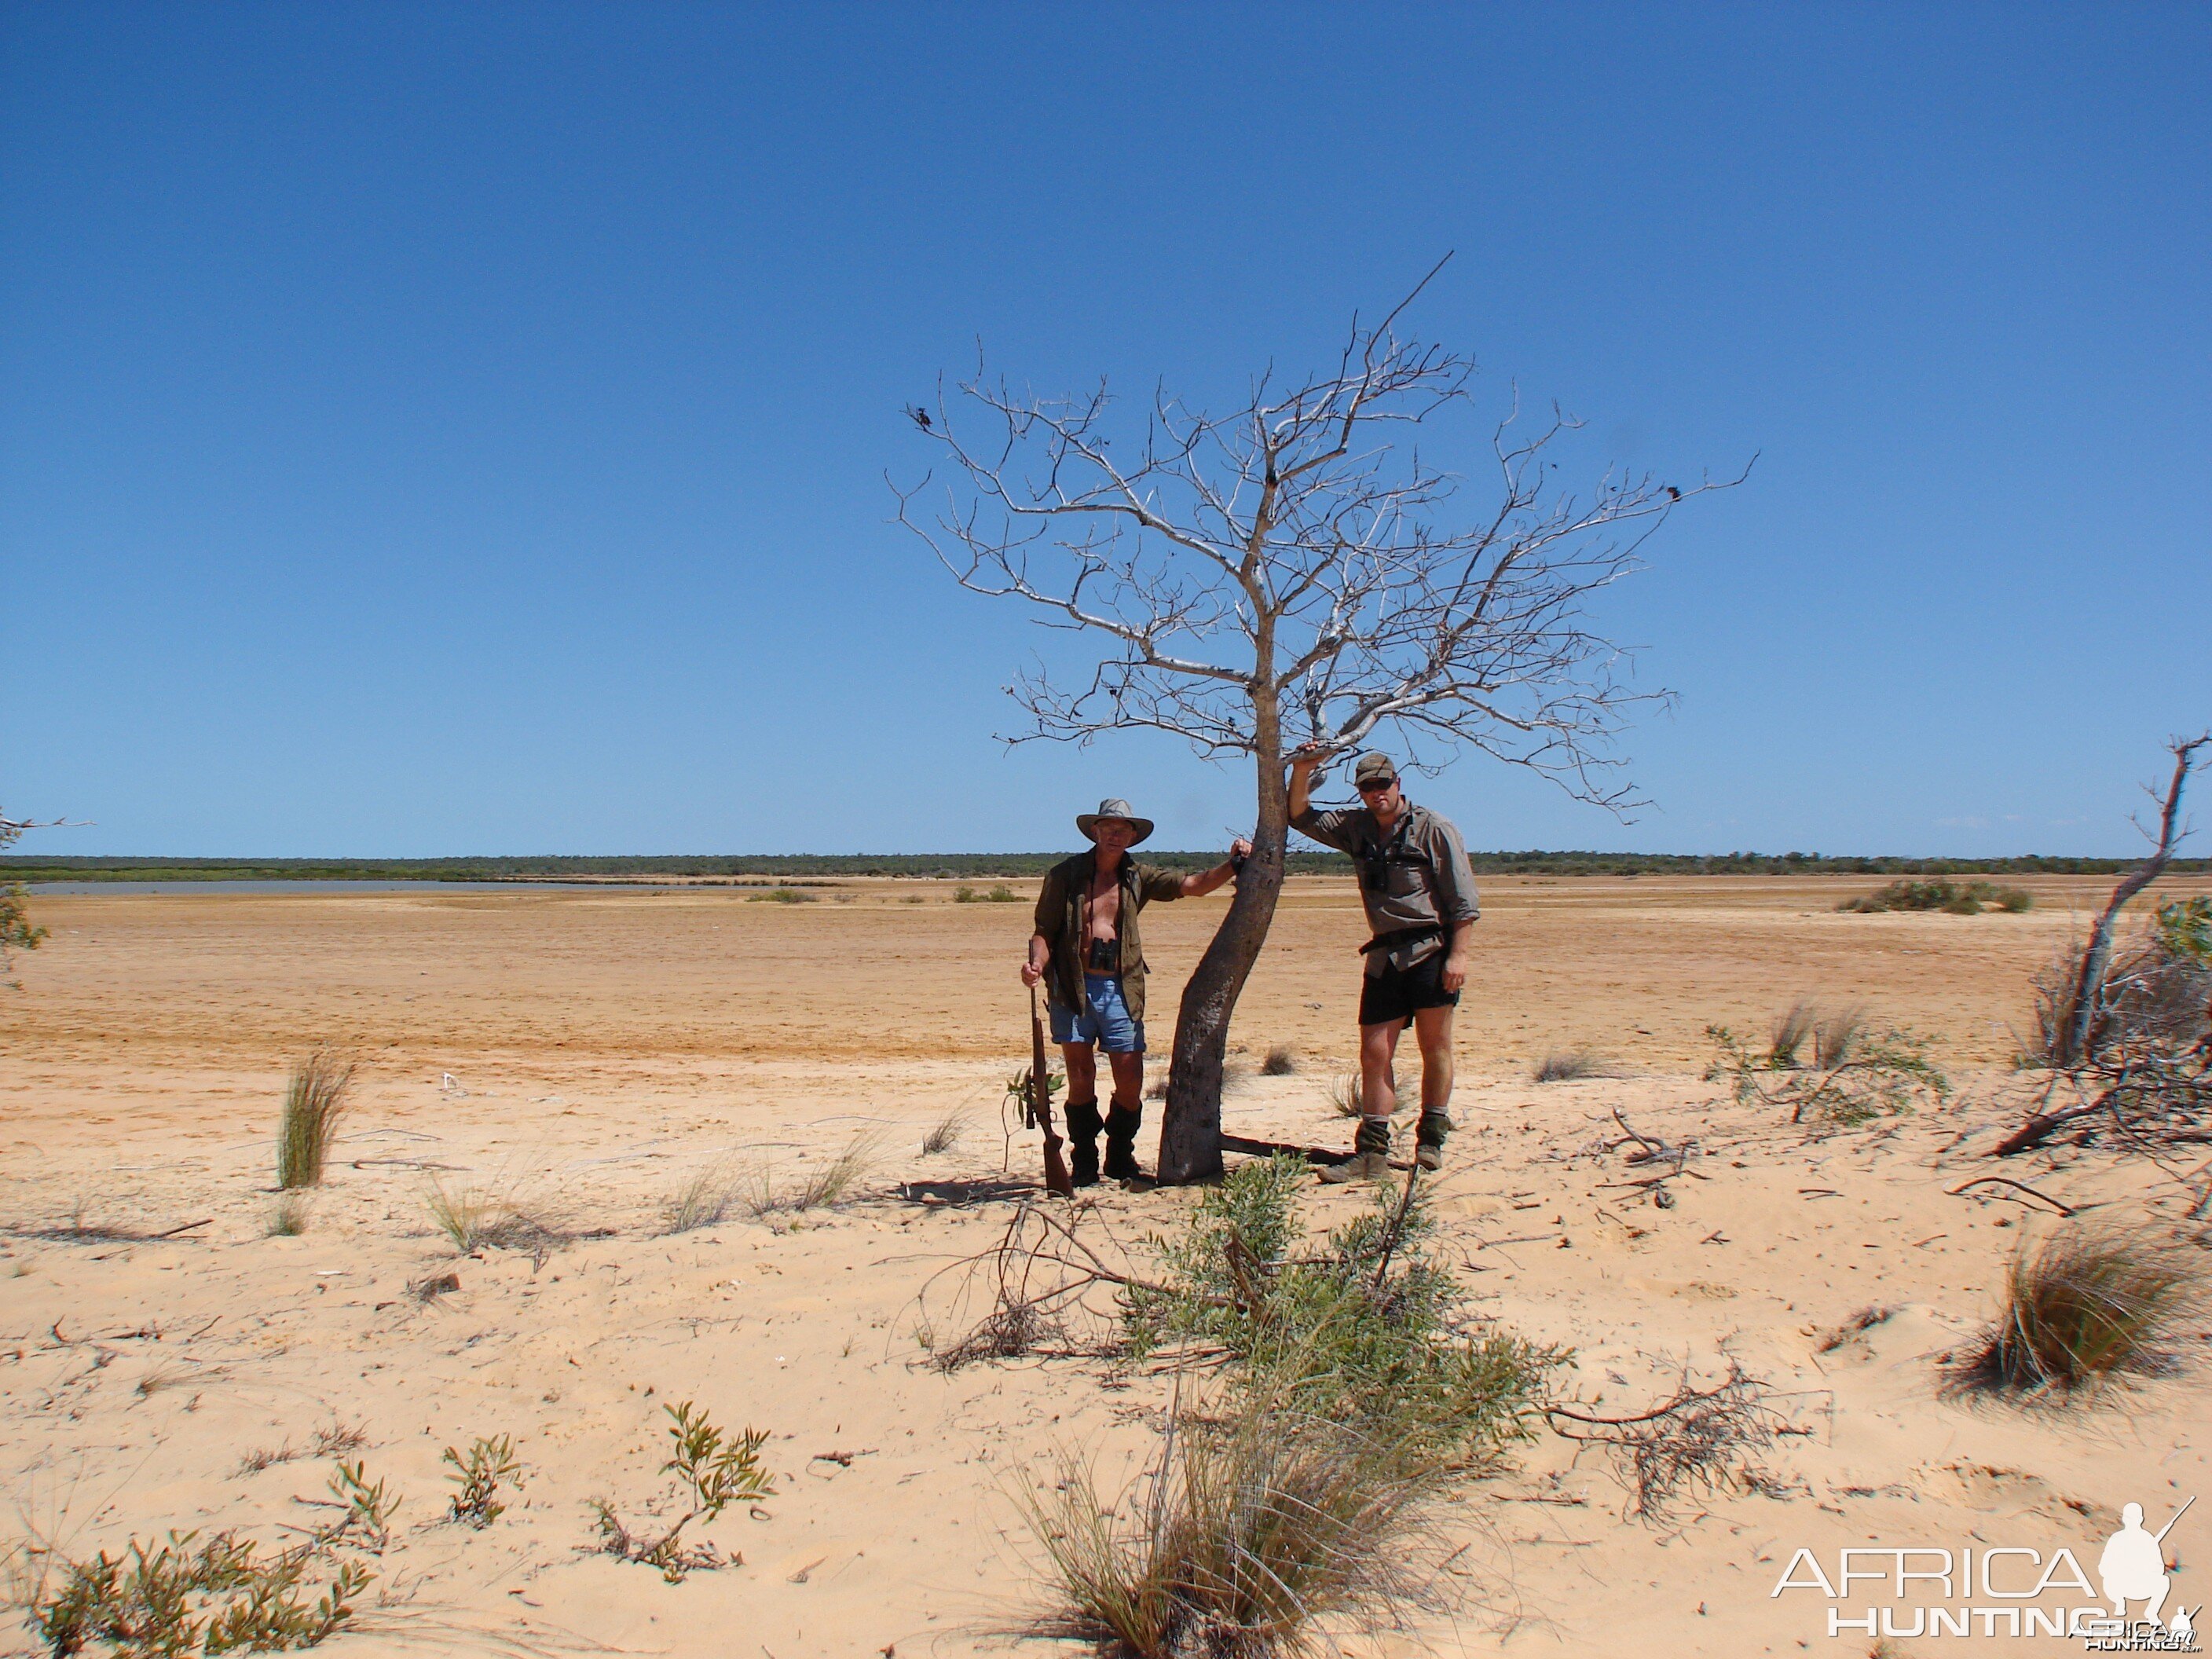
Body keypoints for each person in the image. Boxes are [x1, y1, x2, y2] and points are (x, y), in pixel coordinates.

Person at [1021, 799, 1251, 1185]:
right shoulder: (1065, 875)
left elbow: (1194, 886)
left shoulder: (1137, 876)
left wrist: (1233, 865)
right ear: (1094, 831)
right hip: (1072, 988)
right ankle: (1085, 1159)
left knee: (1129, 1078)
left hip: (1120, 988)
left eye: (1122, 830)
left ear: (1132, 836)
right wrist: (1036, 965)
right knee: (1080, 1076)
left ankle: (1120, 1155)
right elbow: (1043, 930)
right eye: (1108, 828)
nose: (1115, 835)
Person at [1287, 746, 1479, 1181]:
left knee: (1436, 1046)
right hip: (1383, 956)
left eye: (1383, 785)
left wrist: (1459, 955)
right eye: (1368, 788)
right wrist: (1302, 770)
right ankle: (1371, 1156)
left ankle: (1431, 1139)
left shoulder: (1435, 829)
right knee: (1375, 1054)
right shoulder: (1355, 828)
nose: (1377, 794)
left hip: (1431, 950)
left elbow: (1464, 902)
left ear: (1398, 784)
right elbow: (1298, 815)